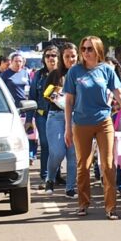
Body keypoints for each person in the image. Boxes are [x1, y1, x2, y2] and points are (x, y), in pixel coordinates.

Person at [63, 36, 121, 219]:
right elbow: (68, 101)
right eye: (83, 48)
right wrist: (68, 127)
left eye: (89, 49)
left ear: (98, 50)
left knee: (108, 164)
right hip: (81, 123)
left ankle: (111, 207)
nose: (85, 52)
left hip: (103, 122)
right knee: (83, 165)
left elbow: (120, 96)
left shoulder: (106, 70)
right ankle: (83, 203)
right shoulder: (75, 72)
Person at [43, 44, 79, 197]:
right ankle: (50, 178)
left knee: (73, 154)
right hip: (56, 116)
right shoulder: (55, 74)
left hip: (76, 117)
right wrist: (57, 96)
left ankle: (70, 188)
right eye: (67, 56)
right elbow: (46, 94)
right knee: (57, 152)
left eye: (73, 56)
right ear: (62, 58)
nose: (70, 59)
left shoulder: (82, 74)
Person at [31, 47, 60, 187]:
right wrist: (29, 119)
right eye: (48, 55)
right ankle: (46, 175)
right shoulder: (38, 75)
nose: (51, 58)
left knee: (59, 146)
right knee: (46, 145)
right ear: (44, 59)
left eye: (54, 55)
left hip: (60, 115)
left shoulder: (64, 74)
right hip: (42, 116)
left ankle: (57, 175)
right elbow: (32, 97)